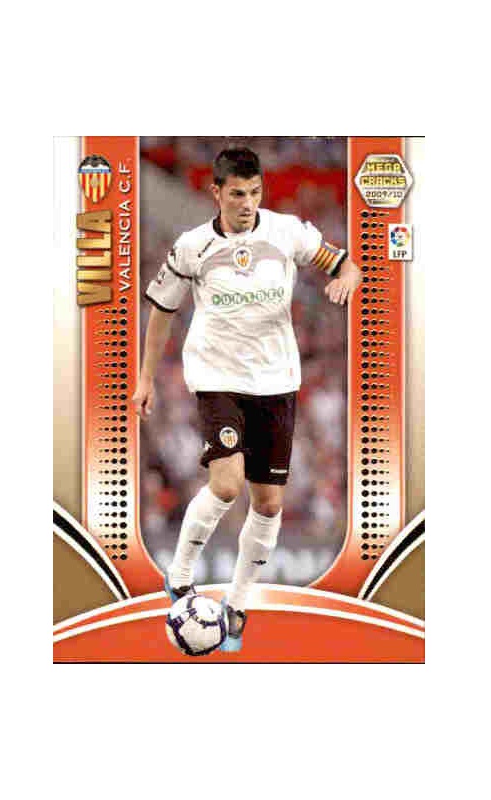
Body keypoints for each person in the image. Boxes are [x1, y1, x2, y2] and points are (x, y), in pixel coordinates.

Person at [132, 146, 361, 652]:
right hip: (218, 377)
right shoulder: (192, 247)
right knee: (227, 484)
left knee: (270, 502)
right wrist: (146, 379)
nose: (248, 203)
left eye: (255, 192)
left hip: (276, 382)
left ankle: (236, 603)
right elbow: (162, 311)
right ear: (216, 192)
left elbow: (345, 264)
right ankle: (181, 575)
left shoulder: (287, 232)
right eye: (237, 194)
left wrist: (345, 279)